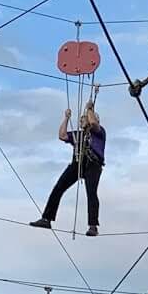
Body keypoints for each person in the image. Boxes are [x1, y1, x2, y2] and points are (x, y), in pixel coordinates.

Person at [30, 98, 105, 237]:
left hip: (92, 164)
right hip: (77, 163)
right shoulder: (78, 134)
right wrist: (66, 118)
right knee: (58, 187)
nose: (81, 121)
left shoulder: (99, 132)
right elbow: (62, 135)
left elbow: (93, 123)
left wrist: (89, 109)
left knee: (91, 193)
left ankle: (93, 226)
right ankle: (46, 218)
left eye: (84, 119)